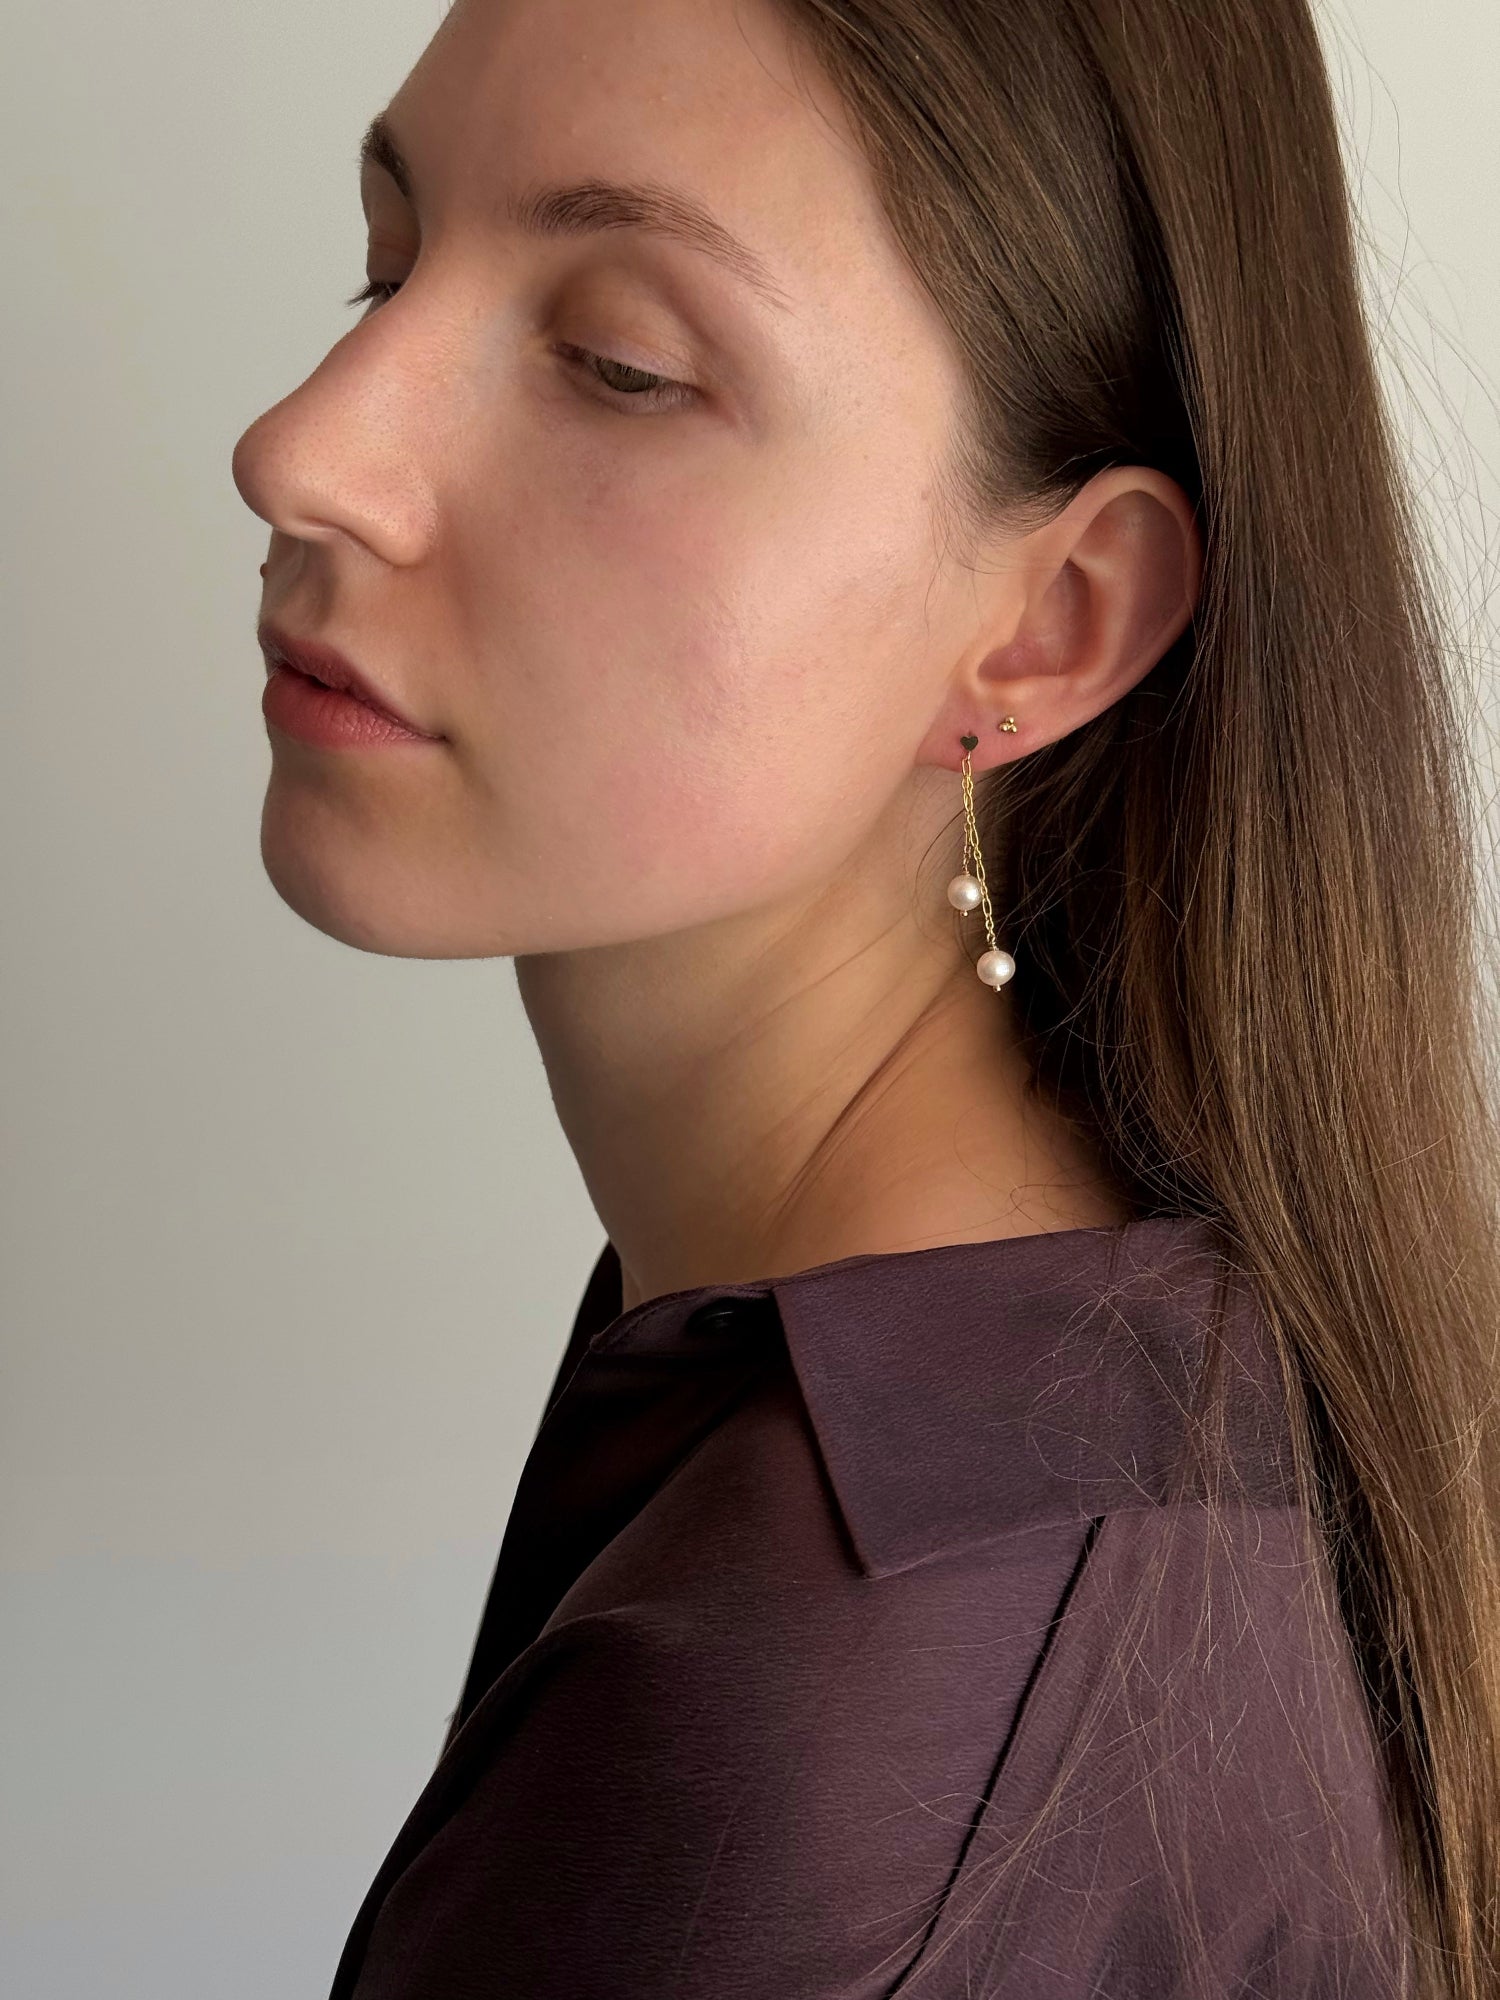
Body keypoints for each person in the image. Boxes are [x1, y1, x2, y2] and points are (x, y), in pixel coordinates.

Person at [229, 0, 1500, 1993]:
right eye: (387, 261)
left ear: (1046, 622)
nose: (300, 446)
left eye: (619, 362)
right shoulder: (1078, 1382)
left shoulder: (821, 1741)